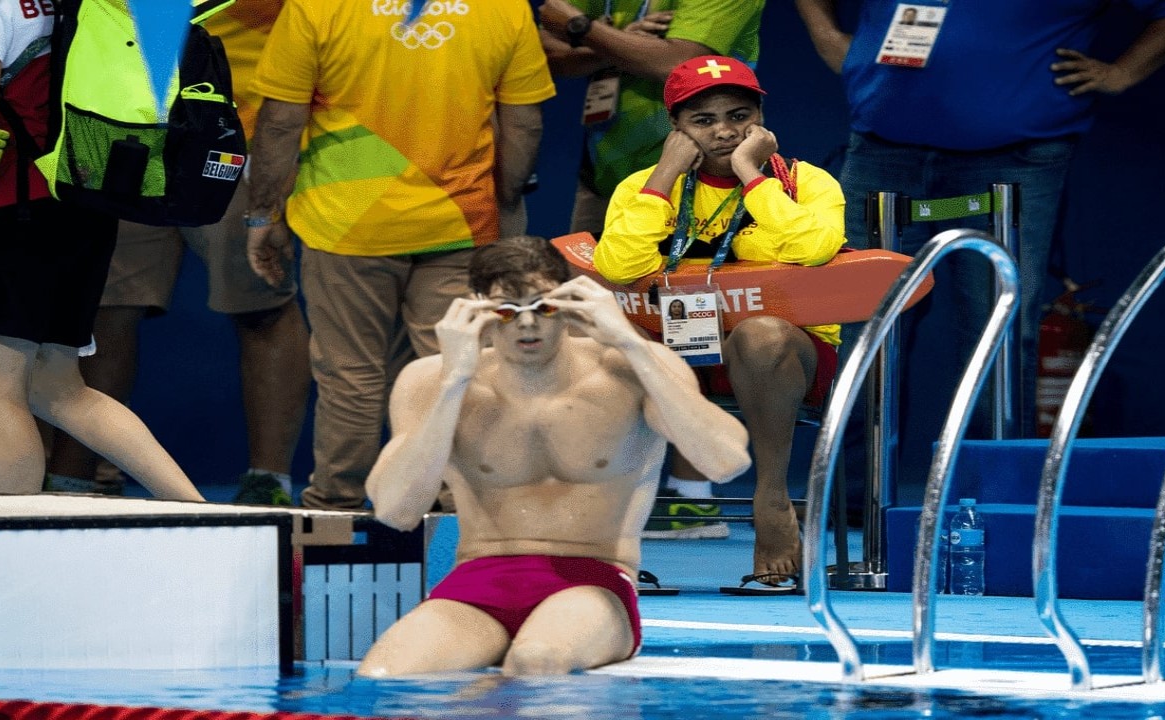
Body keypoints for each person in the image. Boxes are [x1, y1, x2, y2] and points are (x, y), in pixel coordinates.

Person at [794, 0, 1165, 491]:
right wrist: (826, 34)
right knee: (863, 329)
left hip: (1015, 158)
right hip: (880, 149)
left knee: (994, 328)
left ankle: (986, 500)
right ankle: (850, 502)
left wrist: (1123, 71)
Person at [356, 236, 751, 676]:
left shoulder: (627, 369)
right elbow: (395, 510)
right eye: (507, 311)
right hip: (477, 580)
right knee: (384, 676)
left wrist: (631, 343)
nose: (528, 326)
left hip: (594, 581)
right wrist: (455, 381)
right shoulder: (429, 380)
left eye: (543, 308)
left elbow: (726, 461)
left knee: (537, 661)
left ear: (570, 303)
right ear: (476, 311)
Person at [246, 0, 555, 510]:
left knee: (351, 375)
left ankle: (337, 509)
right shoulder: (504, 8)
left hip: (345, 224)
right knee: (452, 369)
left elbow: (280, 123)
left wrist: (264, 215)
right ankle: (452, 507)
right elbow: (525, 125)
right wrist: (506, 197)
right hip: (461, 221)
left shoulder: (314, 7)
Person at [593, 56, 847, 589]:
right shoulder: (642, 185)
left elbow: (815, 248)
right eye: (703, 120)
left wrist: (752, 175)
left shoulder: (805, 181)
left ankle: (772, 499)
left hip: (783, 363)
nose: (725, 131)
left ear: (760, 119)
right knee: (606, 348)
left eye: (738, 115)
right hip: (675, 357)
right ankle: (614, 534)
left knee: (761, 332)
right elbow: (616, 268)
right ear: (676, 129)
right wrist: (665, 175)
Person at [44, 0, 311, 505]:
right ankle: (75, 481)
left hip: (237, 133)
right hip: (118, 123)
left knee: (262, 307)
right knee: (104, 313)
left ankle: (268, 482)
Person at [0, 0, 203, 502]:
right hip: (78, 204)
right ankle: (203, 515)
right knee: (58, 389)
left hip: (6, 209)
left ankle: (17, 544)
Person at [537, 0, 766, 238]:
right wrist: (615, 43)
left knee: (708, 272)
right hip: (605, 170)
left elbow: (678, 63)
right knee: (595, 271)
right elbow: (548, 50)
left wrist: (582, 29)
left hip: (706, 174)